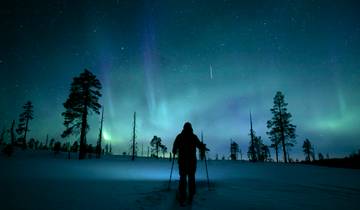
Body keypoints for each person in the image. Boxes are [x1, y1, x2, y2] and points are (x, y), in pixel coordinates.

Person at [172, 122, 209, 205]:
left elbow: (174, 147)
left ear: (184, 128)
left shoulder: (180, 136)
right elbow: (199, 145)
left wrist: (174, 150)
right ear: (191, 128)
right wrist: (202, 146)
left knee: (183, 178)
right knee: (191, 178)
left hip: (182, 161)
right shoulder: (193, 137)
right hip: (191, 161)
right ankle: (191, 195)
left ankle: (183, 195)